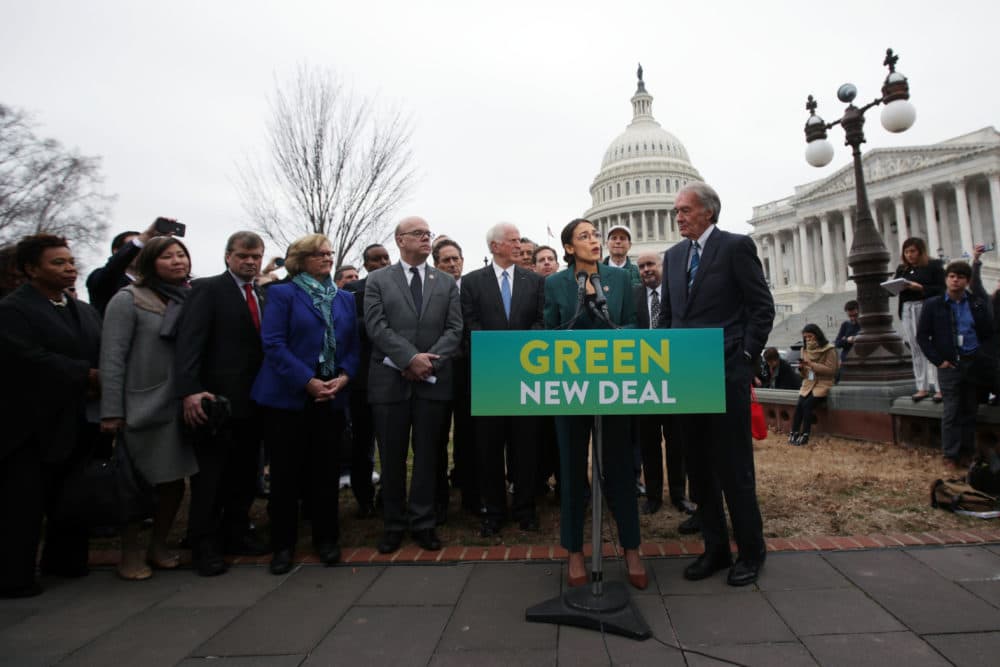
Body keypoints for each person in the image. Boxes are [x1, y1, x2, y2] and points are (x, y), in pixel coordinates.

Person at [659, 182, 774, 586]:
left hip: (726, 373)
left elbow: (761, 307)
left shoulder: (735, 247)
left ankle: (752, 551)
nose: (679, 217)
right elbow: (670, 319)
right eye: (676, 211)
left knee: (733, 467)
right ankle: (715, 549)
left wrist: (745, 356)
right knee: (700, 469)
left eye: (685, 210)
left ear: (708, 212)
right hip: (687, 379)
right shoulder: (672, 258)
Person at [544, 218, 647, 590]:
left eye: (595, 236)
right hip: (569, 390)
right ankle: (574, 552)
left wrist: (616, 333)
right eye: (584, 237)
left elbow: (635, 325)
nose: (594, 241)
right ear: (569, 248)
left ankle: (631, 548)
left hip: (613, 387)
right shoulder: (555, 283)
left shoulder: (620, 279)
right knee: (571, 470)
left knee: (620, 469)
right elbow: (549, 330)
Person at [250, 234, 359, 574]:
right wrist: (307, 382)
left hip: (330, 397)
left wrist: (343, 377)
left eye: (329, 253)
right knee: (285, 476)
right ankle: (283, 546)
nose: (327, 258)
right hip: (288, 399)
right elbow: (273, 344)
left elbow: (354, 346)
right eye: (318, 254)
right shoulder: (281, 294)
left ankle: (327, 540)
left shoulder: (343, 299)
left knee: (325, 474)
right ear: (300, 259)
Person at [0, 234, 101, 598]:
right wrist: (84, 374)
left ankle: (66, 561)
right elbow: (26, 359)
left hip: (76, 418)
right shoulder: (13, 310)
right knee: (23, 504)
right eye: (58, 262)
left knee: (72, 497)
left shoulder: (81, 309)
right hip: (29, 425)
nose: (69, 267)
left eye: (70, 261)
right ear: (31, 269)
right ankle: (14, 576)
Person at [100, 236, 199, 581]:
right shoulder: (128, 300)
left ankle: (158, 545)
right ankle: (129, 552)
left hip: (183, 404)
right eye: (168, 256)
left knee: (173, 482)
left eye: (181, 254)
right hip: (142, 405)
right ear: (148, 262)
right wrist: (112, 410)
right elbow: (112, 358)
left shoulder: (191, 298)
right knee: (136, 484)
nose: (177, 261)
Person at [364, 216, 462, 554]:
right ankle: (393, 523)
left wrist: (427, 361)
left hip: (432, 382)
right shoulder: (376, 280)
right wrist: (410, 359)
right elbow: (376, 327)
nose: (425, 238)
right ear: (399, 240)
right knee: (390, 457)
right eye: (418, 234)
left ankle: (423, 522)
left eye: (428, 233)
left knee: (427, 456)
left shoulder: (446, 283)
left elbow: (454, 330)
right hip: (390, 382)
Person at [174, 231, 269, 577]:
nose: (250, 261)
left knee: (245, 475)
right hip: (214, 403)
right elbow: (189, 343)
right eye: (243, 255)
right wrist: (189, 391)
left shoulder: (260, 294)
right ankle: (203, 544)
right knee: (211, 479)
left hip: (253, 402)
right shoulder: (207, 290)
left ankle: (236, 533)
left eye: (256, 256)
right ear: (228, 256)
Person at [462, 223, 545, 537]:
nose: (519, 244)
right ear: (495, 246)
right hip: (490, 378)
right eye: (512, 241)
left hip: (526, 377)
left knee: (525, 447)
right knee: (489, 448)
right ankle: (493, 511)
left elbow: (541, 320)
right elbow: (470, 323)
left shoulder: (535, 282)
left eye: (520, 240)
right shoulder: (471, 282)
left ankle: (526, 509)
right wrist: (499, 355)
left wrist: (521, 353)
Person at [917, 251, 996, 467]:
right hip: (949, 364)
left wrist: (980, 354)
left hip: (972, 361)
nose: (955, 280)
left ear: (967, 281)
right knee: (951, 410)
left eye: (960, 277)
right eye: (951, 276)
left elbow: (988, 331)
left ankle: (967, 453)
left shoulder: (976, 303)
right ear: (946, 279)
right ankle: (950, 455)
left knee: (970, 409)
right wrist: (938, 361)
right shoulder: (933, 304)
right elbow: (922, 337)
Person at [634, 251, 693, 516]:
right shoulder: (633, 298)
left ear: (662, 266)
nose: (647, 269)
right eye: (642, 266)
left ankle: (679, 494)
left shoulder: (677, 294)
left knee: (677, 439)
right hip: (644, 380)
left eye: (651, 264)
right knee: (648, 440)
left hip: (674, 377)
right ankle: (654, 494)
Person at [342, 243, 392, 518]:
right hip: (362, 378)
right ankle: (364, 496)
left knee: (391, 442)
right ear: (366, 264)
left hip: (392, 374)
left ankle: (388, 492)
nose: (382, 262)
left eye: (385, 257)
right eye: (376, 259)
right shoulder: (351, 291)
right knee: (363, 442)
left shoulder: (397, 288)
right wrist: (378, 325)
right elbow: (348, 327)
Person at [431, 238, 477, 518]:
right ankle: (438, 502)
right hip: (437, 370)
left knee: (468, 437)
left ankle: (470, 496)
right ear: (436, 264)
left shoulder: (470, 289)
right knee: (435, 437)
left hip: (468, 372)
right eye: (446, 260)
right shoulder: (430, 290)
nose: (452, 264)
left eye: (456, 258)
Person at [893, 237, 946, 402]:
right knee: (915, 349)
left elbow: (942, 289)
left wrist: (921, 288)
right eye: (906, 252)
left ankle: (939, 388)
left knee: (931, 346)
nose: (909, 255)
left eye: (913, 251)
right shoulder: (903, 269)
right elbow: (894, 290)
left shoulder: (933, 266)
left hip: (926, 307)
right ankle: (921, 387)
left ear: (920, 251)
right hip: (908, 309)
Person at [86, 218, 176, 315]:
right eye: (137, 247)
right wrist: (147, 235)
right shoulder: (104, 278)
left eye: (144, 247)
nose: (140, 252)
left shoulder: (155, 282)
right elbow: (114, 266)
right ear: (117, 252)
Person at [788, 324, 839, 446]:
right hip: (809, 382)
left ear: (817, 335)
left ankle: (805, 434)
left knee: (807, 405)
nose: (808, 340)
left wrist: (811, 365)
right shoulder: (804, 350)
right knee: (800, 404)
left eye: (810, 336)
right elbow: (806, 374)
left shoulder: (829, 349)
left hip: (824, 383)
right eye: (805, 337)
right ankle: (794, 432)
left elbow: (831, 370)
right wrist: (802, 369)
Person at [834, 300, 861, 382]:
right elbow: (837, 343)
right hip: (846, 361)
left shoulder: (864, 324)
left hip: (859, 362)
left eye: (855, 315)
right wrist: (847, 340)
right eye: (850, 316)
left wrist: (856, 339)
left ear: (860, 311)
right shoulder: (845, 325)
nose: (852, 318)